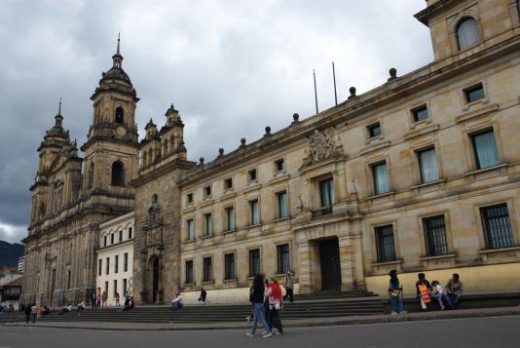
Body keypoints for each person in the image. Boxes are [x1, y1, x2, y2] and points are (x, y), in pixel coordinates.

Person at [246, 273, 272, 338]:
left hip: (257, 303)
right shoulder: (262, 286)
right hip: (261, 303)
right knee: (255, 319)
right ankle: (252, 333)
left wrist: (252, 287)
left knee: (262, 319)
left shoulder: (255, 286)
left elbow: (251, 293)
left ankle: (268, 332)